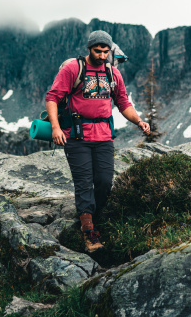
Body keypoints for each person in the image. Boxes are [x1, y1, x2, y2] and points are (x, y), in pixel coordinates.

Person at [45, 30, 150, 253]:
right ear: (89, 49)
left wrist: (138, 121)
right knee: (83, 182)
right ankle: (89, 233)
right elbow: (52, 97)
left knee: (104, 181)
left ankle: (93, 217)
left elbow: (123, 103)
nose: (102, 55)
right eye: (97, 51)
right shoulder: (74, 68)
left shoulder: (113, 74)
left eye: (105, 51)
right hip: (76, 135)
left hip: (104, 136)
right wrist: (55, 127)